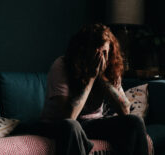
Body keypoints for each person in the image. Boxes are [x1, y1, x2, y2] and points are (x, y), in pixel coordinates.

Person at [38, 23, 152, 155]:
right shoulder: (62, 65)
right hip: (57, 124)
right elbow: (69, 116)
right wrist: (91, 78)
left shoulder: (110, 67)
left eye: (105, 53)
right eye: (96, 53)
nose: (100, 59)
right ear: (84, 52)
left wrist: (101, 78)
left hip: (92, 123)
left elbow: (125, 111)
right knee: (71, 126)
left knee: (134, 121)